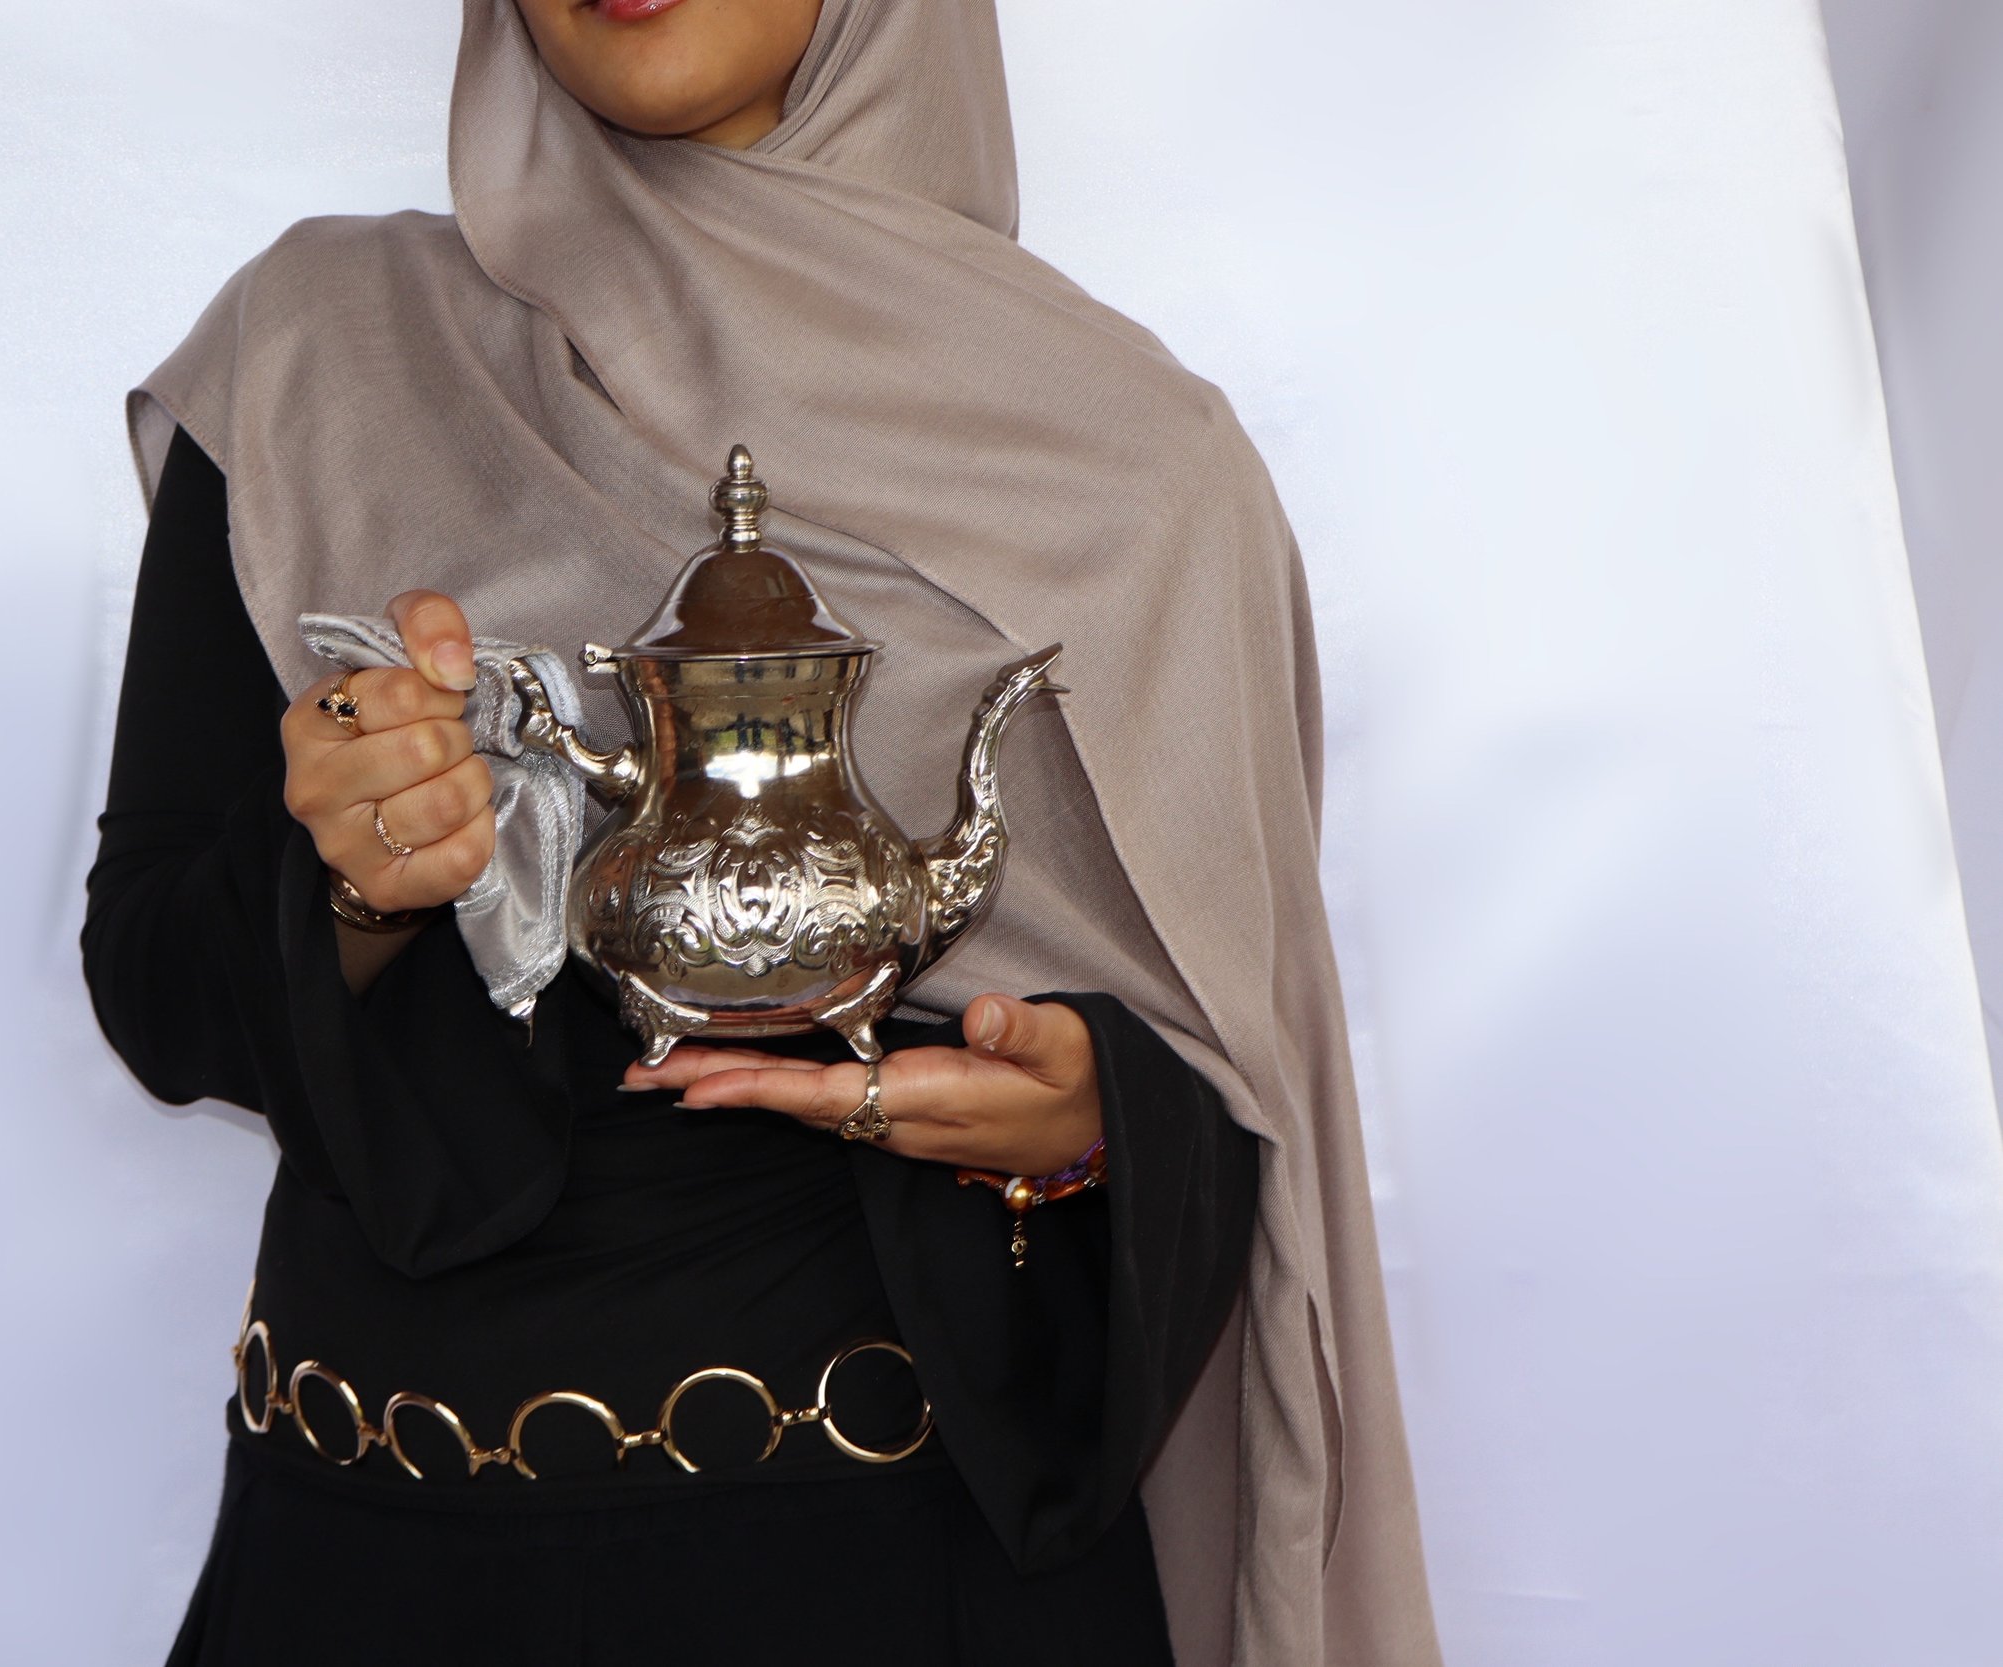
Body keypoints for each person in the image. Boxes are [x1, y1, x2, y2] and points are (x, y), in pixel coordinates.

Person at [83, 2, 1441, 1663]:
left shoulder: (1138, 477)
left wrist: (1096, 1124)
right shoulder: (321, 353)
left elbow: (1246, 1080)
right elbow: (154, 992)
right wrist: (359, 884)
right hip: (371, 1561)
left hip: (899, 1581)